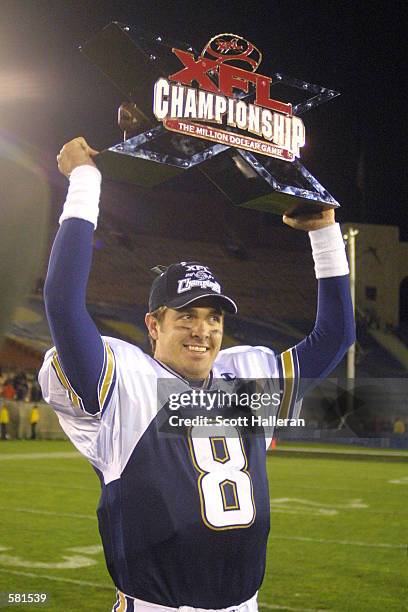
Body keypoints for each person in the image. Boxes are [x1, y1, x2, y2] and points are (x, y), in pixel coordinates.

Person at [39, 137, 355, 611]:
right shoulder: (126, 384)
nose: (202, 331)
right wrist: (85, 182)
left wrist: (324, 233)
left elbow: (335, 336)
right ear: (153, 324)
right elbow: (63, 306)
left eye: (213, 318)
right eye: (185, 316)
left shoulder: (245, 378)